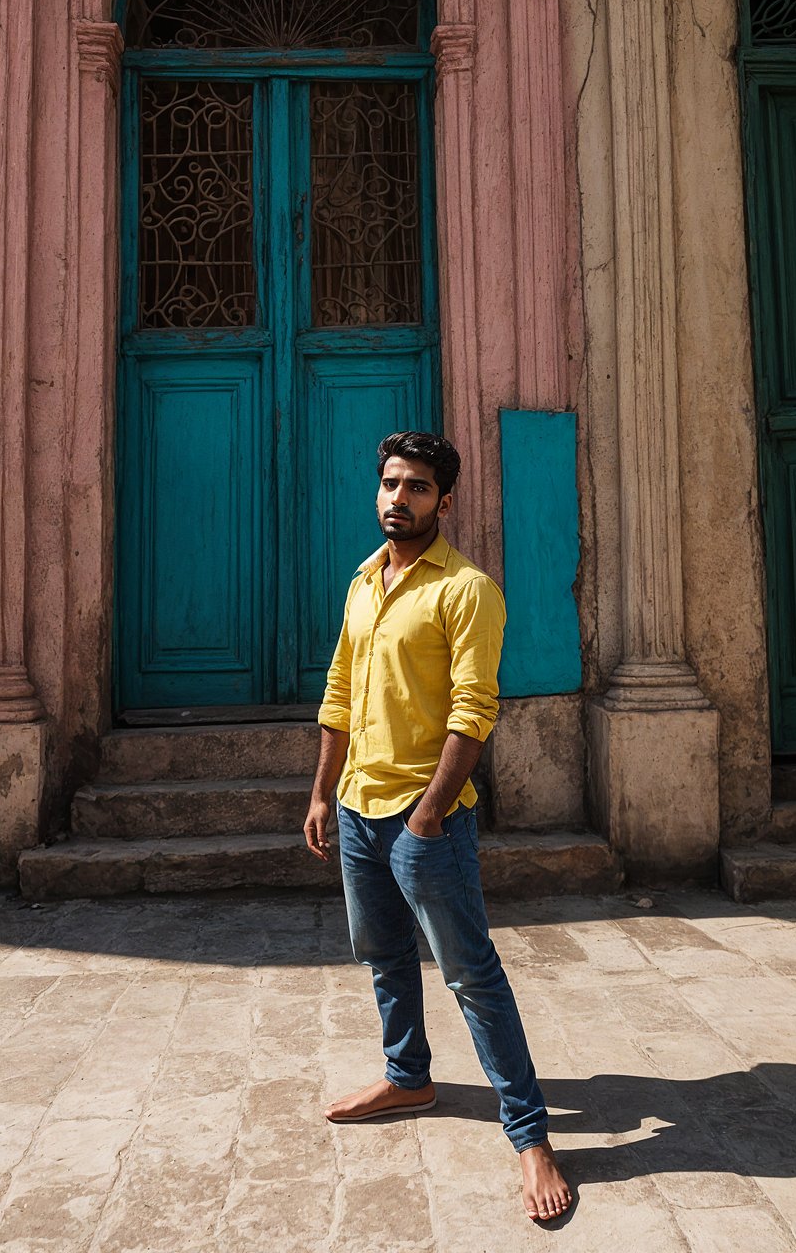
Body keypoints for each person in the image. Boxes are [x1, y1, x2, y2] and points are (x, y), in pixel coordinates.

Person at [303, 431, 572, 1223]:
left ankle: (530, 1137)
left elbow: (472, 713)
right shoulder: (362, 579)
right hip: (357, 808)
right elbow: (340, 691)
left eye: (417, 488)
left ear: (444, 502)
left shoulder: (467, 590)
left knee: (471, 976)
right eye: (390, 483)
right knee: (383, 954)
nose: (399, 498)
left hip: (426, 823)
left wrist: (425, 817)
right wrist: (323, 794)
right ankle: (407, 1076)